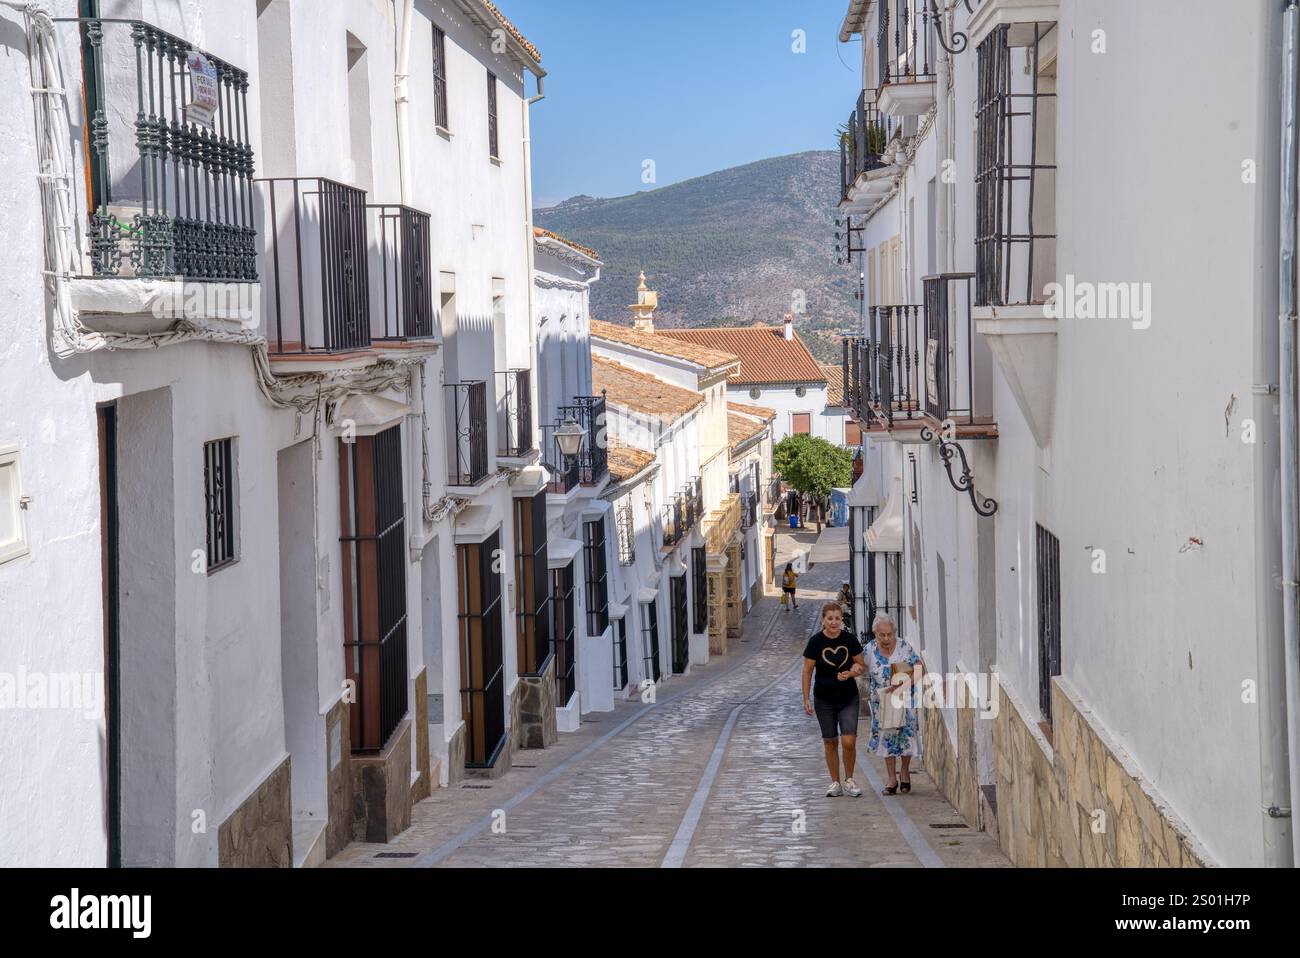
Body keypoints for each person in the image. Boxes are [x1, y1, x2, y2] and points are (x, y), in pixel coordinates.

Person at [802, 602, 866, 797]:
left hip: (848, 698)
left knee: (849, 741)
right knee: (830, 741)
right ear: (823, 620)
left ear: (841, 620)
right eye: (830, 618)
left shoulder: (850, 640)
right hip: (824, 699)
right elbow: (807, 671)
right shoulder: (816, 642)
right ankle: (835, 782)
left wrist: (853, 672)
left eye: (837, 618)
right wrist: (806, 698)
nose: (834, 622)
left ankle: (849, 779)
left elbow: (861, 665)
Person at [863, 613, 925, 795]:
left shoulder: (904, 647)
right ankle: (891, 778)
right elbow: (859, 666)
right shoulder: (869, 650)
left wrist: (904, 684)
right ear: (875, 634)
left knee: (906, 736)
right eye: (881, 635)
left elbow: (921, 669)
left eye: (889, 634)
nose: (886, 638)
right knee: (887, 737)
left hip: (905, 700)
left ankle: (904, 771)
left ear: (894, 632)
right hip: (882, 703)